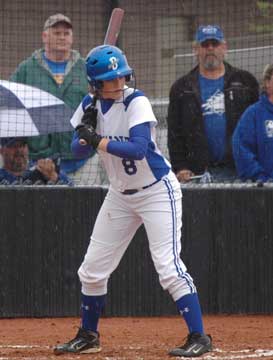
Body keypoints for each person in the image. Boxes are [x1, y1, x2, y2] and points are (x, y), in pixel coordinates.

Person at [53, 44, 212, 358]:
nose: (118, 83)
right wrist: (86, 126)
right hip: (120, 196)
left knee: (168, 267)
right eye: (109, 80)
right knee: (92, 270)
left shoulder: (136, 100)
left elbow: (139, 148)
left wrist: (96, 138)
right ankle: (89, 335)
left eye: (120, 77)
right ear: (96, 84)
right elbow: (76, 150)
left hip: (156, 190)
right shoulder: (91, 103)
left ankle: (200, 337)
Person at [167, 24, 259, 183]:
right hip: (198, 174)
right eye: (204, 44)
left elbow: (258, 125)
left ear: (224, 48)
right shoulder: (181, 88)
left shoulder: (245, 82)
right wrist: (180, 167)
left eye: (214, 44)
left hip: (240, 171)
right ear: (196, 49)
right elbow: (175, 133)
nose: (210, 49)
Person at [9, 13, 93, 176]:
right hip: (39, 160)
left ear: (72, 38)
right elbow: (10, 103)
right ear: (44, 36)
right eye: (56, 33)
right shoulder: (27, 69)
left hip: (81, 158)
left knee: (81, 201)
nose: (62, 37)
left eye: (66, 33)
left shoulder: (86, 68)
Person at [232, 64, 273, 182]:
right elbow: (241, 148)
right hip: (264, 192)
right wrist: (261, 178)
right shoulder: (254, 114)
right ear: (267, 82)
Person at [0, 137, 72, 185]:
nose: (19, 150)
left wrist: (53, 176)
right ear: (2, 151)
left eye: (22, 145)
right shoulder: (1, 176)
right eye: (13, 146)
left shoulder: (41, 169)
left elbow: (71, 192)